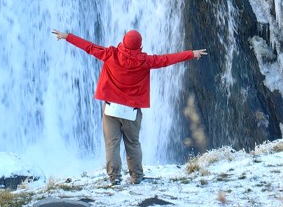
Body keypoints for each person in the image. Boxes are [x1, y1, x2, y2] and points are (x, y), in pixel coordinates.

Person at [51, 27, 207, 185]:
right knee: (133, 144)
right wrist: (191, 54)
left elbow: (89, 47)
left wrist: (67, 36)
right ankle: (137, 177)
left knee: (112, 144)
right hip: (131, 112)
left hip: (111, 110)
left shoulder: (110, 54)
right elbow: (167, 59)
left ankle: (114, 178)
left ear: (123, 42)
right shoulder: (146, 61)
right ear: (140, 45)